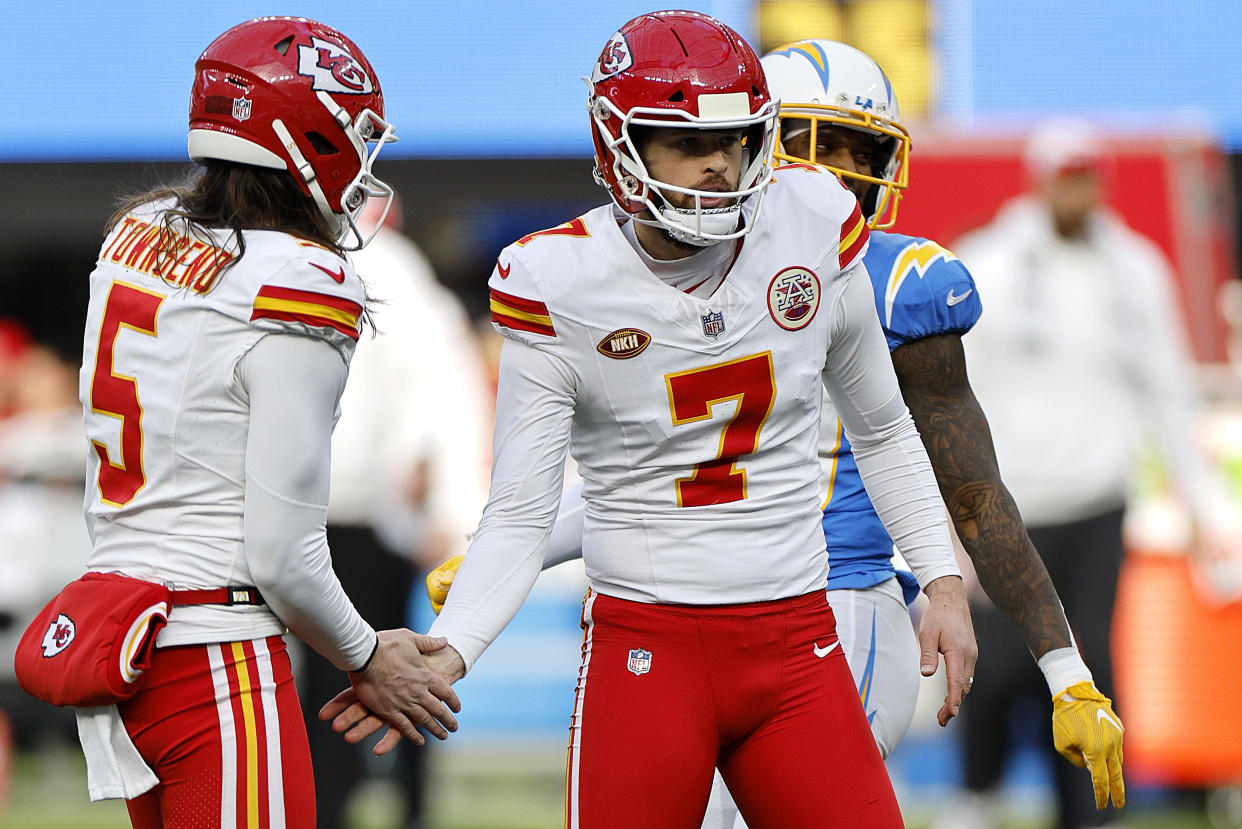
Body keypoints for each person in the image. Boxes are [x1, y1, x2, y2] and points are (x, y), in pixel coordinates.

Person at [426, 38, 1129, 829]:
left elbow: (959, 480)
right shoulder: (617, 277)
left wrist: (1059, 665)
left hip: (835, 605)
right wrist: (515, 552)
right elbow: (685, 481)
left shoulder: (877, 270)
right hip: (674, 623)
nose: (832, 173)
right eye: (807, 146)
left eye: (857, 149)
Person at [327, 11, 975, 828]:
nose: (715, 165)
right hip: (649, 649)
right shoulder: (559, 279)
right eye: (683, 141)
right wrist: (451, 648)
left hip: (798, 644)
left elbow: (880, 427)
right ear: (618, 144)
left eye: (736, 140)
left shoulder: (811, 221)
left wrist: (942, 584)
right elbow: (523, 510)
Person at [69, 18, 459, 827]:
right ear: (305, 131)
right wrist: (366, 653)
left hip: (127, 640)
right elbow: (283, 552)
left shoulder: (136, 235)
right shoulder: (301, 278)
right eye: (353, 134)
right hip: (216, 655)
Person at [949, 117, 1209, 829]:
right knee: (999, 668)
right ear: (1041, 180)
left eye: (1088, 177)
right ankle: (978, 793)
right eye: (1067, 177)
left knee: (1090, 666)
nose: (1079, 191)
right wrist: (955, 512)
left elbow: (1169, 388)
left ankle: (1089, 811)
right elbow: (949, 393)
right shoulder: (989, 263)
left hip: (1096, 500)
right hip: (1010, 504)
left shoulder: (1134, 270)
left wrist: (1203, 505)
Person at [298, 194, 491, 829]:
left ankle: (337, 807)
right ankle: (391, 805)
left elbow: (437, 395)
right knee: (381, 666)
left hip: (350, 511)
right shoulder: (388, 270)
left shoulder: (377, 267)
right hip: (359, 511)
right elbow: (446, 393)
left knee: (354, 672)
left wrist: (435, 494)